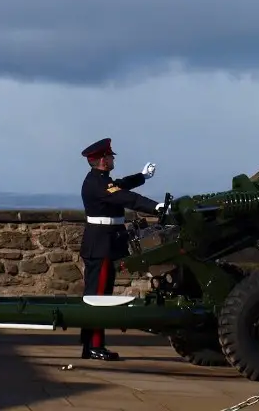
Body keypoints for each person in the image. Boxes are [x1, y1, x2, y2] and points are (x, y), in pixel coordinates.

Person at [77, 137, 161, 361]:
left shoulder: (101, 181)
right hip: (101, 246)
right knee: (99, 297)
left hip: (105, 243)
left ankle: (90, 345)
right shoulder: (97, 184)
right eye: (110, 156)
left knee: (98, 294)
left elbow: (121, 186)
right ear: (103, 160)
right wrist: (156, 207)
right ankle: (94, 345)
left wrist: (142, 177)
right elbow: (126, 197)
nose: (113, 158)